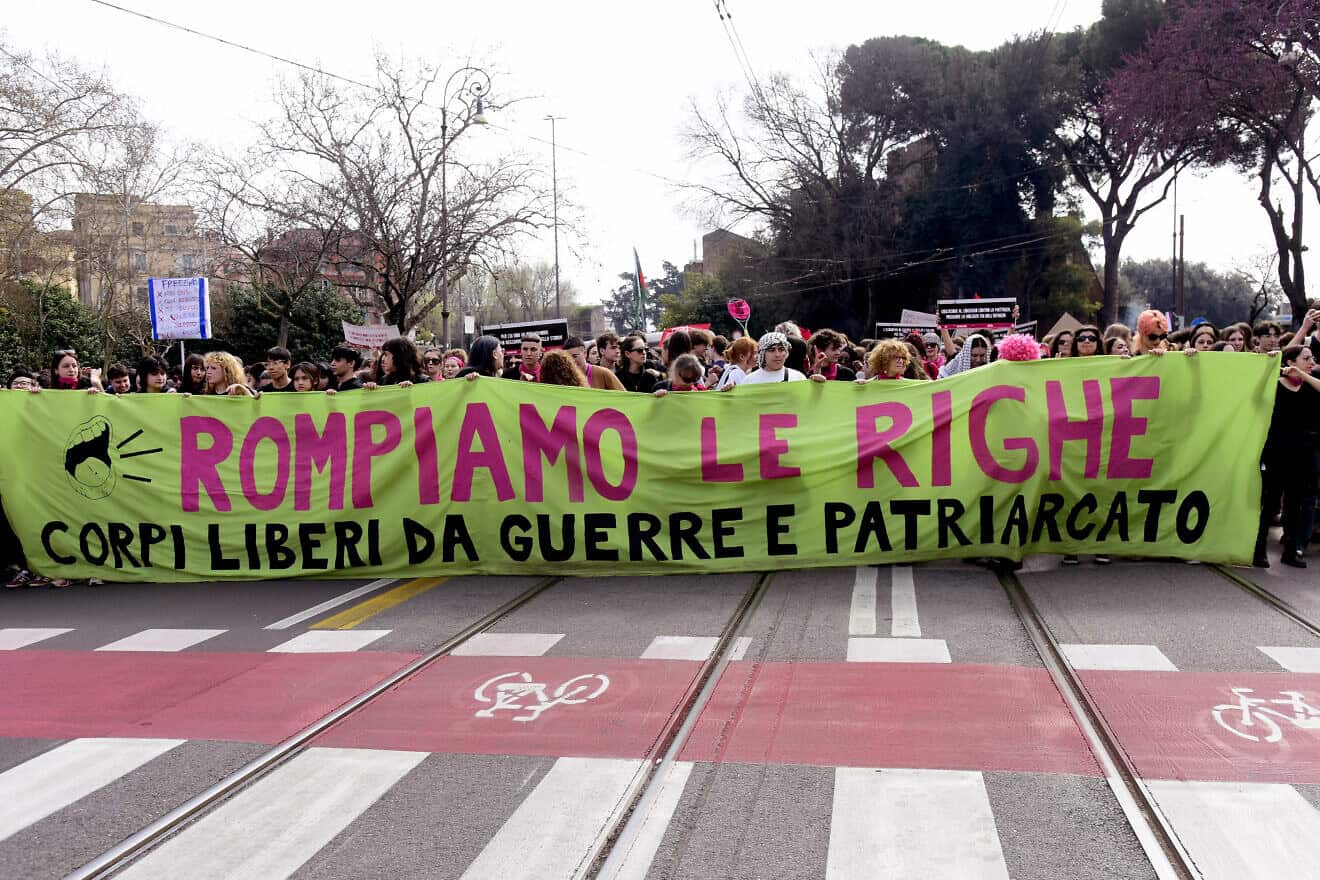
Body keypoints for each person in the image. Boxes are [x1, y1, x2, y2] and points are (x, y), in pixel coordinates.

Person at [1255, 345, 1320, 568]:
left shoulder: (1311, 386)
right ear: (1291, 362)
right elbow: (1256, 396)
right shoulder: (1276, 387)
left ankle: (1291, 551)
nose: (1312, 362)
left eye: (1312, 358)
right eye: (1306, 358)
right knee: (1270, 502)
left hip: (1304, 453)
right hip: (1278, 451)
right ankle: (1259, 549)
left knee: (1295, 504)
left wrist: (1302, 374)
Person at [743, 331, 807, 383]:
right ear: (762, 354)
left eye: (781, 349)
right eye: (772, 350)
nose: (777, 354)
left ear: (786, 353)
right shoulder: (749, 381)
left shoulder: (798, 378)